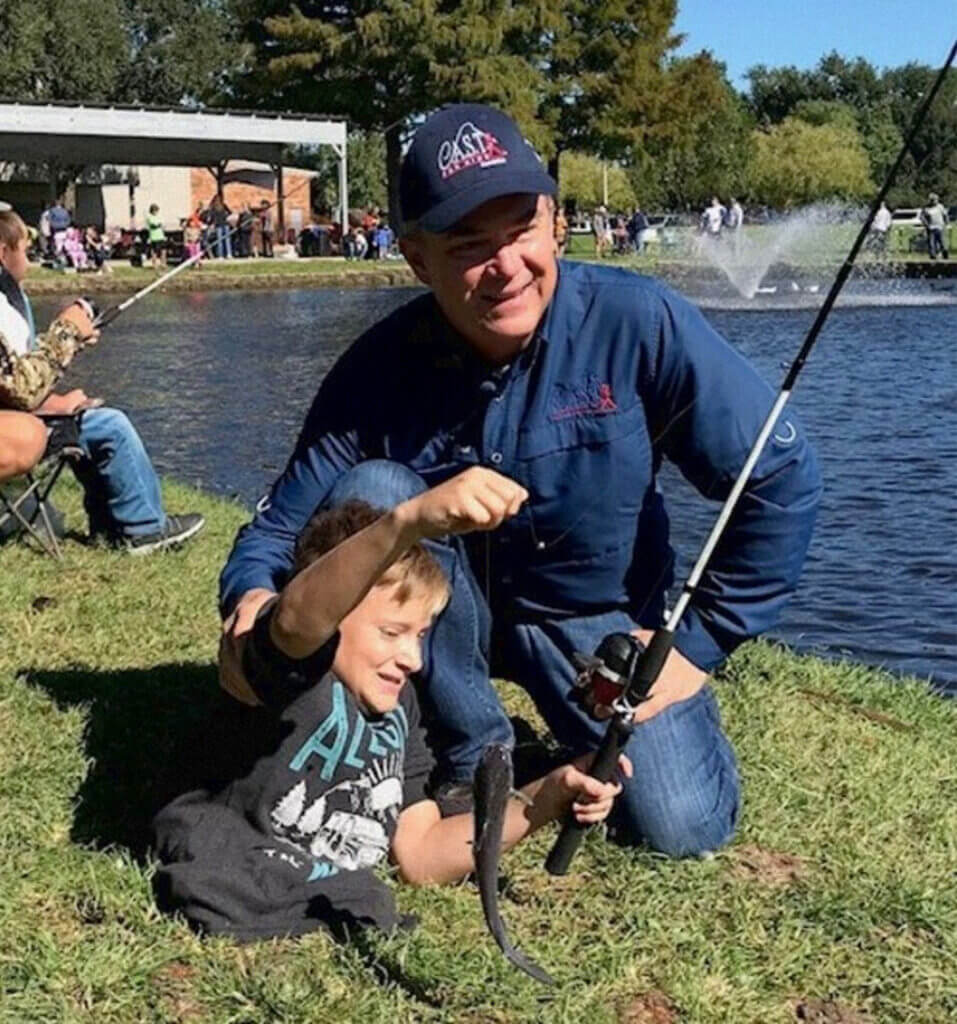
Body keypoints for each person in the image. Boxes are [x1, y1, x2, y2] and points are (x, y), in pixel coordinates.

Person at [219, 104, 822, 859]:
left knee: (682, 826)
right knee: (374, 491)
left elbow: (780, 475)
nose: (506, 266)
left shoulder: (641, 323)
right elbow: (276, 531)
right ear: (414, 258)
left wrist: (698, 646)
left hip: (590, 625)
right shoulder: (375, 366)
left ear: (554, 222)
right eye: (470, 245)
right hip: (434, 625)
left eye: (520, 231)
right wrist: (249, 600)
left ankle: (545, 746)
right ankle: (472, 752)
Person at [155, 490, 626, 939]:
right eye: (392, 631)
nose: (414, 658)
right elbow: (298, 622)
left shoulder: (400, 710)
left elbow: (420, 854)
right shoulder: (291, 676)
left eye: (419, 635)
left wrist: (548, 796)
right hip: (245, 866)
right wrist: (407, 521)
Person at [0, 210, 204, 553]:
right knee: (111, 426)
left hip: (15, 419)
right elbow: (19, 389)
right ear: (4, 252)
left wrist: (59, 401)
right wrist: (66, 333)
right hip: (16, 430)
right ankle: (143, 529)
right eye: (25, 251)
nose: (31, 263)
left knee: (92, 419)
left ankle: (109, 527)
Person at [920, 193, 949, 260]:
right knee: (931, 243)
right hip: (931, 228)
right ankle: (933, 256)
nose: (935, 201)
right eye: (933, 200)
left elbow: (945, 215)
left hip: (940, 227)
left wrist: (946, 223)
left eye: (936, 200)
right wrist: (926, 224)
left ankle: (945, 254)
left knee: (943, 242)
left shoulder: (940, 206)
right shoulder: (926, 208)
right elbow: (922, 217)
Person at [145, 204, 166, 270]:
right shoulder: (149, 217)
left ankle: (163, 264)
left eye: (157, 210)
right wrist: (159, 225)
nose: (156, 212)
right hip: (154, 237)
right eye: (155, 210)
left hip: (161, 236)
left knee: (163, 250)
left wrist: (160, 225)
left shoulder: (158, 217)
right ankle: (154, 265)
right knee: (154, 251)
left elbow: (162, 224)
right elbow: (154, 225)